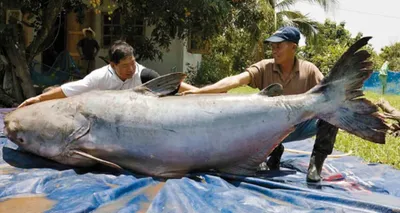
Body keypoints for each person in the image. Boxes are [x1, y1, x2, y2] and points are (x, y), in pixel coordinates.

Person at [182, 26, 338, 182]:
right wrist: (202, 92)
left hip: (300, 125)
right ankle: (272, 151)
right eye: (272, 46)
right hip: (269, 129)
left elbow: (328, 93)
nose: (274, 50)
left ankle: (316, 165)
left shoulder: (309, 70)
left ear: (293, 47)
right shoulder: (264, 67)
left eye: (279, 46)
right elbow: (235, 80)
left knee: (332, 112)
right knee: (246, 115)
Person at [19, 40, 198, 108]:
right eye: (126, 65)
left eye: (133, 62)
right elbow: (68, 90)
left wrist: (200, 92)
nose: (131, 69)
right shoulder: (99, 77)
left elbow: (172, 85)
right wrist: (38, 99)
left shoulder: (143, 74)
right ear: (112, 65)